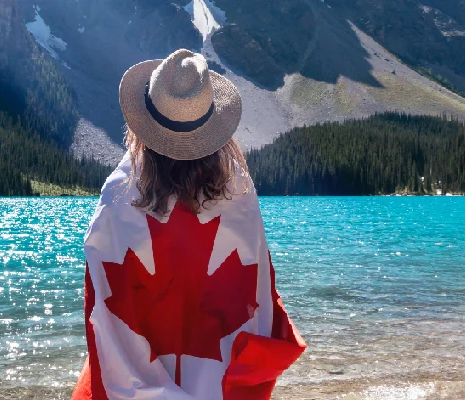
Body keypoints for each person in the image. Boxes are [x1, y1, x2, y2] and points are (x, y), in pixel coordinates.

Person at [73, 49, 305, 400]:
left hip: (130, 380)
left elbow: (103, 309)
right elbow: (258, 292)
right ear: (212, 130)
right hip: (217, 382)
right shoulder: (238, 192)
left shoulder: (119, 197)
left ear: (142, 127)